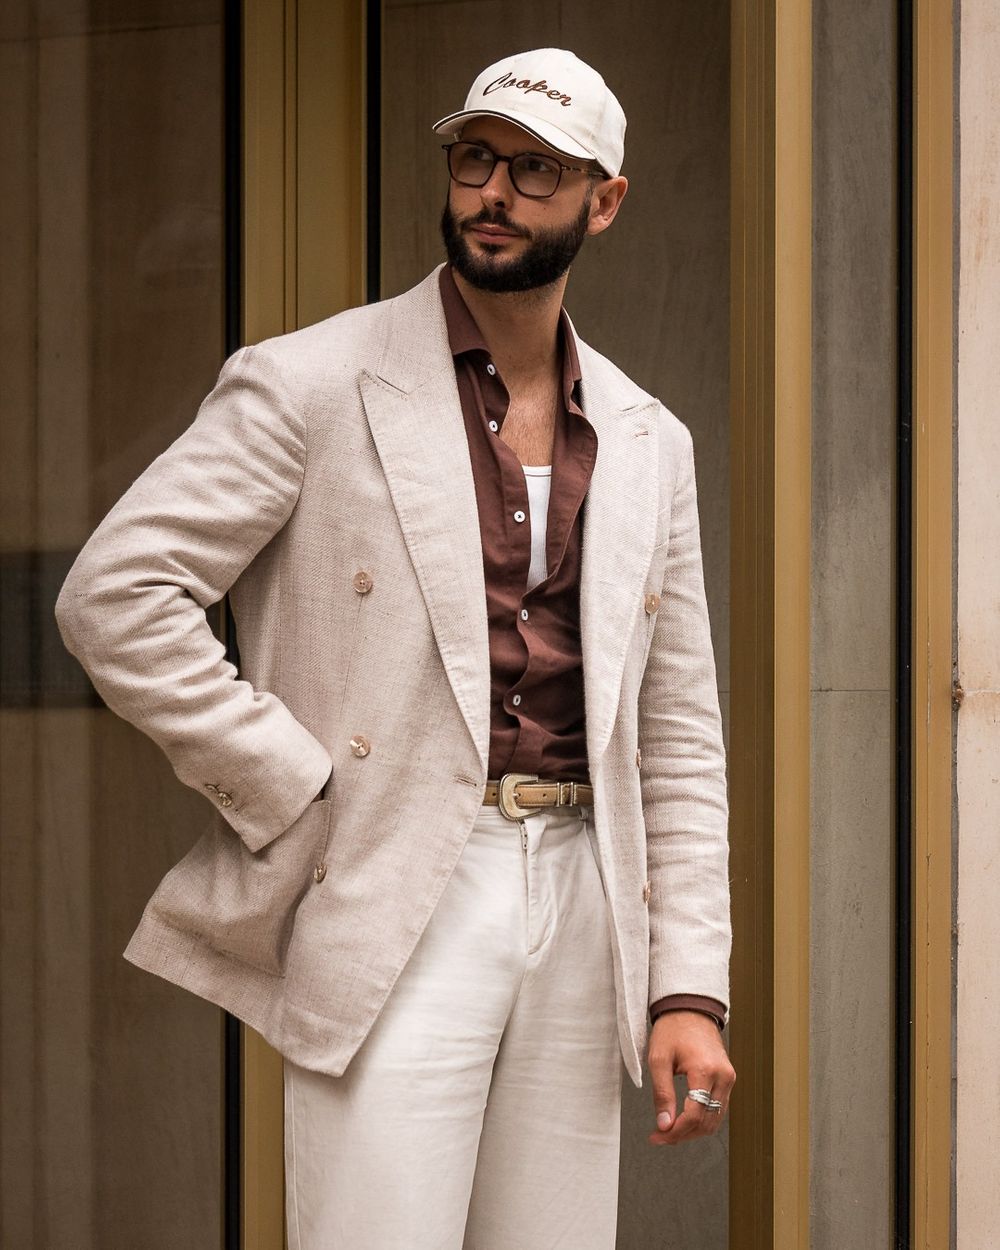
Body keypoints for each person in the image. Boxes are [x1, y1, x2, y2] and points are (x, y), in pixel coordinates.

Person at [56, 46, 734, 1250]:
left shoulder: (647, 436)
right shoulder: (309, 382)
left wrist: (687, 985)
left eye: (536, 170)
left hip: (584, 895)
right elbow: (118, 592)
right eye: (477, 158)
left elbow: (675, 727)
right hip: (399, 874)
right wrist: (288, 776)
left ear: (602, 201)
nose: (495, 191)